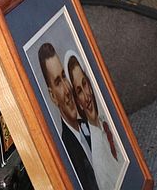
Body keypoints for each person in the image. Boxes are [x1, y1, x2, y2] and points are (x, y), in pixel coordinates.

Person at [37, 42, 99, 190]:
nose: (67, 90)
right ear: (52, 96)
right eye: (58, 82)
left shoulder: (87, 125)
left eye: (64, 76)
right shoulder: (65, 151)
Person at [66, 51, 124, 190]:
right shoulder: (98, 159)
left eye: (84, 84)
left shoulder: (107, 120)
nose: (86, 97)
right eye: (79, 91)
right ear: (78, 102)